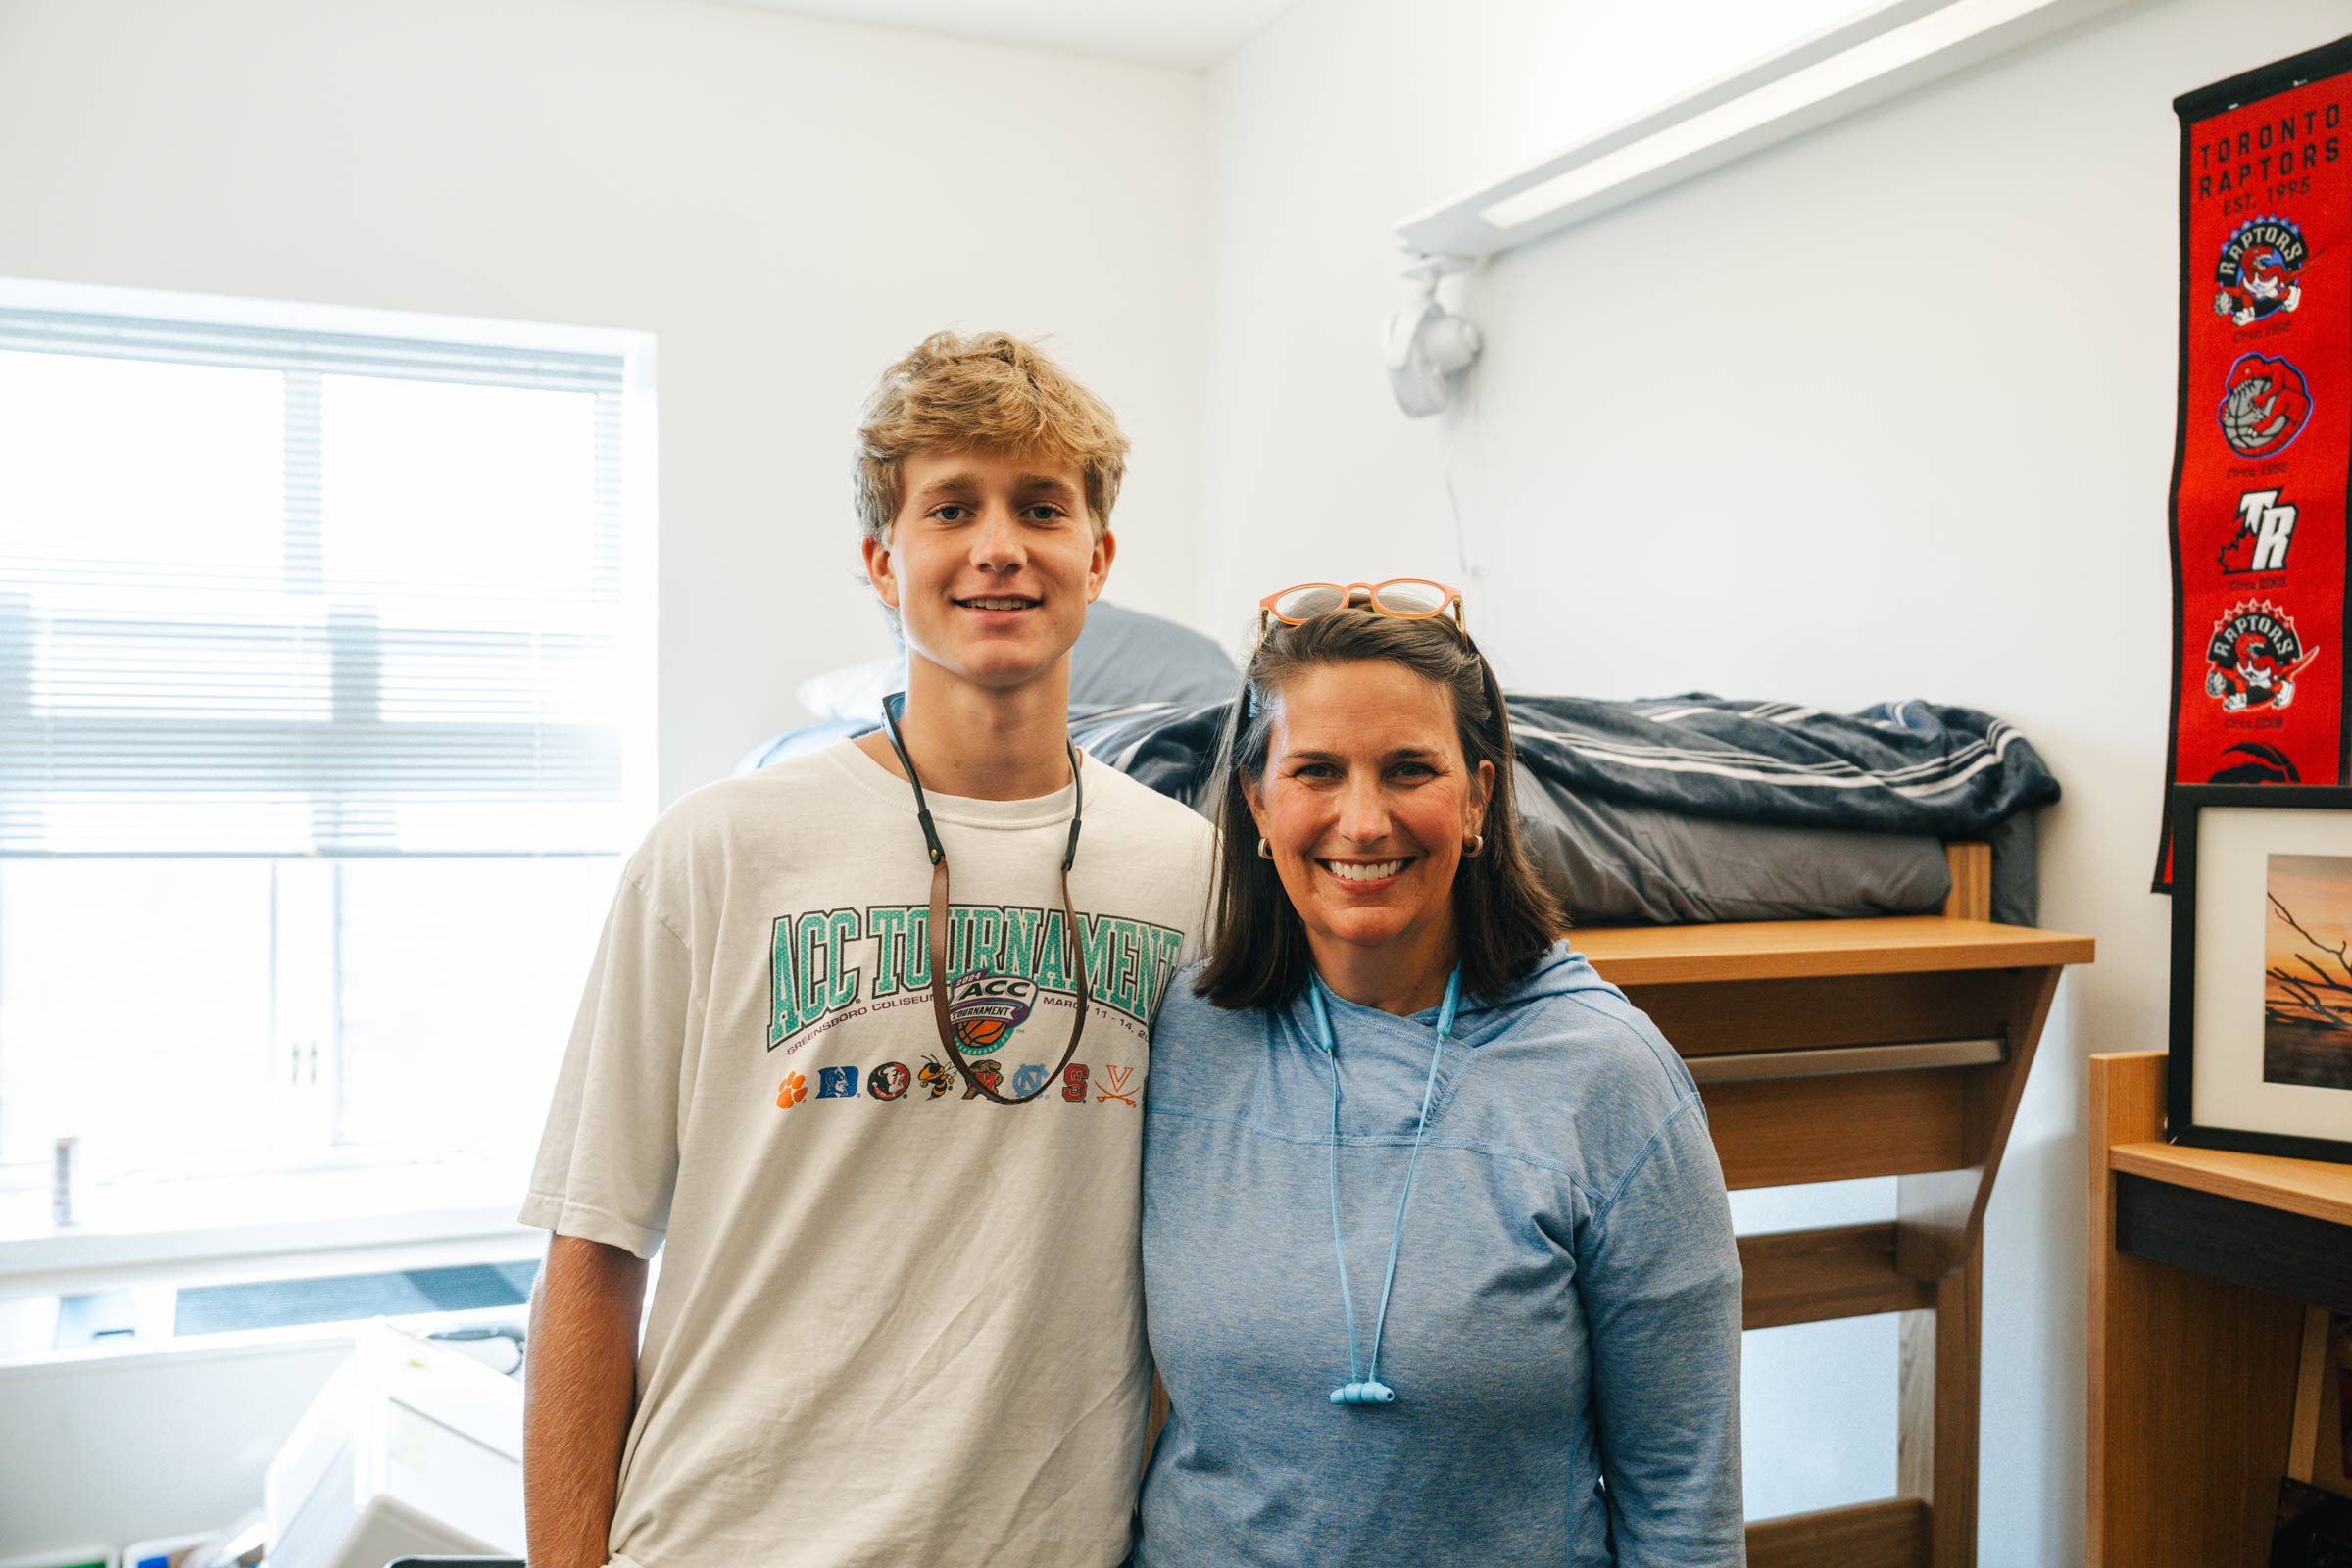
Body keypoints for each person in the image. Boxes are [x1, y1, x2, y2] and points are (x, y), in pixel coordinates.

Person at [519, 331, 1213, 1568]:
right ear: (881, 560)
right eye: (951, 506)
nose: (999, 544)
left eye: (1040, 506)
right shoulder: (720, 852)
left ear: (1097, 556)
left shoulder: (1193, 875)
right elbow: (593, 1246)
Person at [1137, 585, 1744, 1567]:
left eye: (1410, 769)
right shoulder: (1181, 1041)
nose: (1363, 820)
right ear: (1257, 802)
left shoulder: (1613, 1080)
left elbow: (1684, 1501)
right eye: (1318, 771)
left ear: (1477, 798)